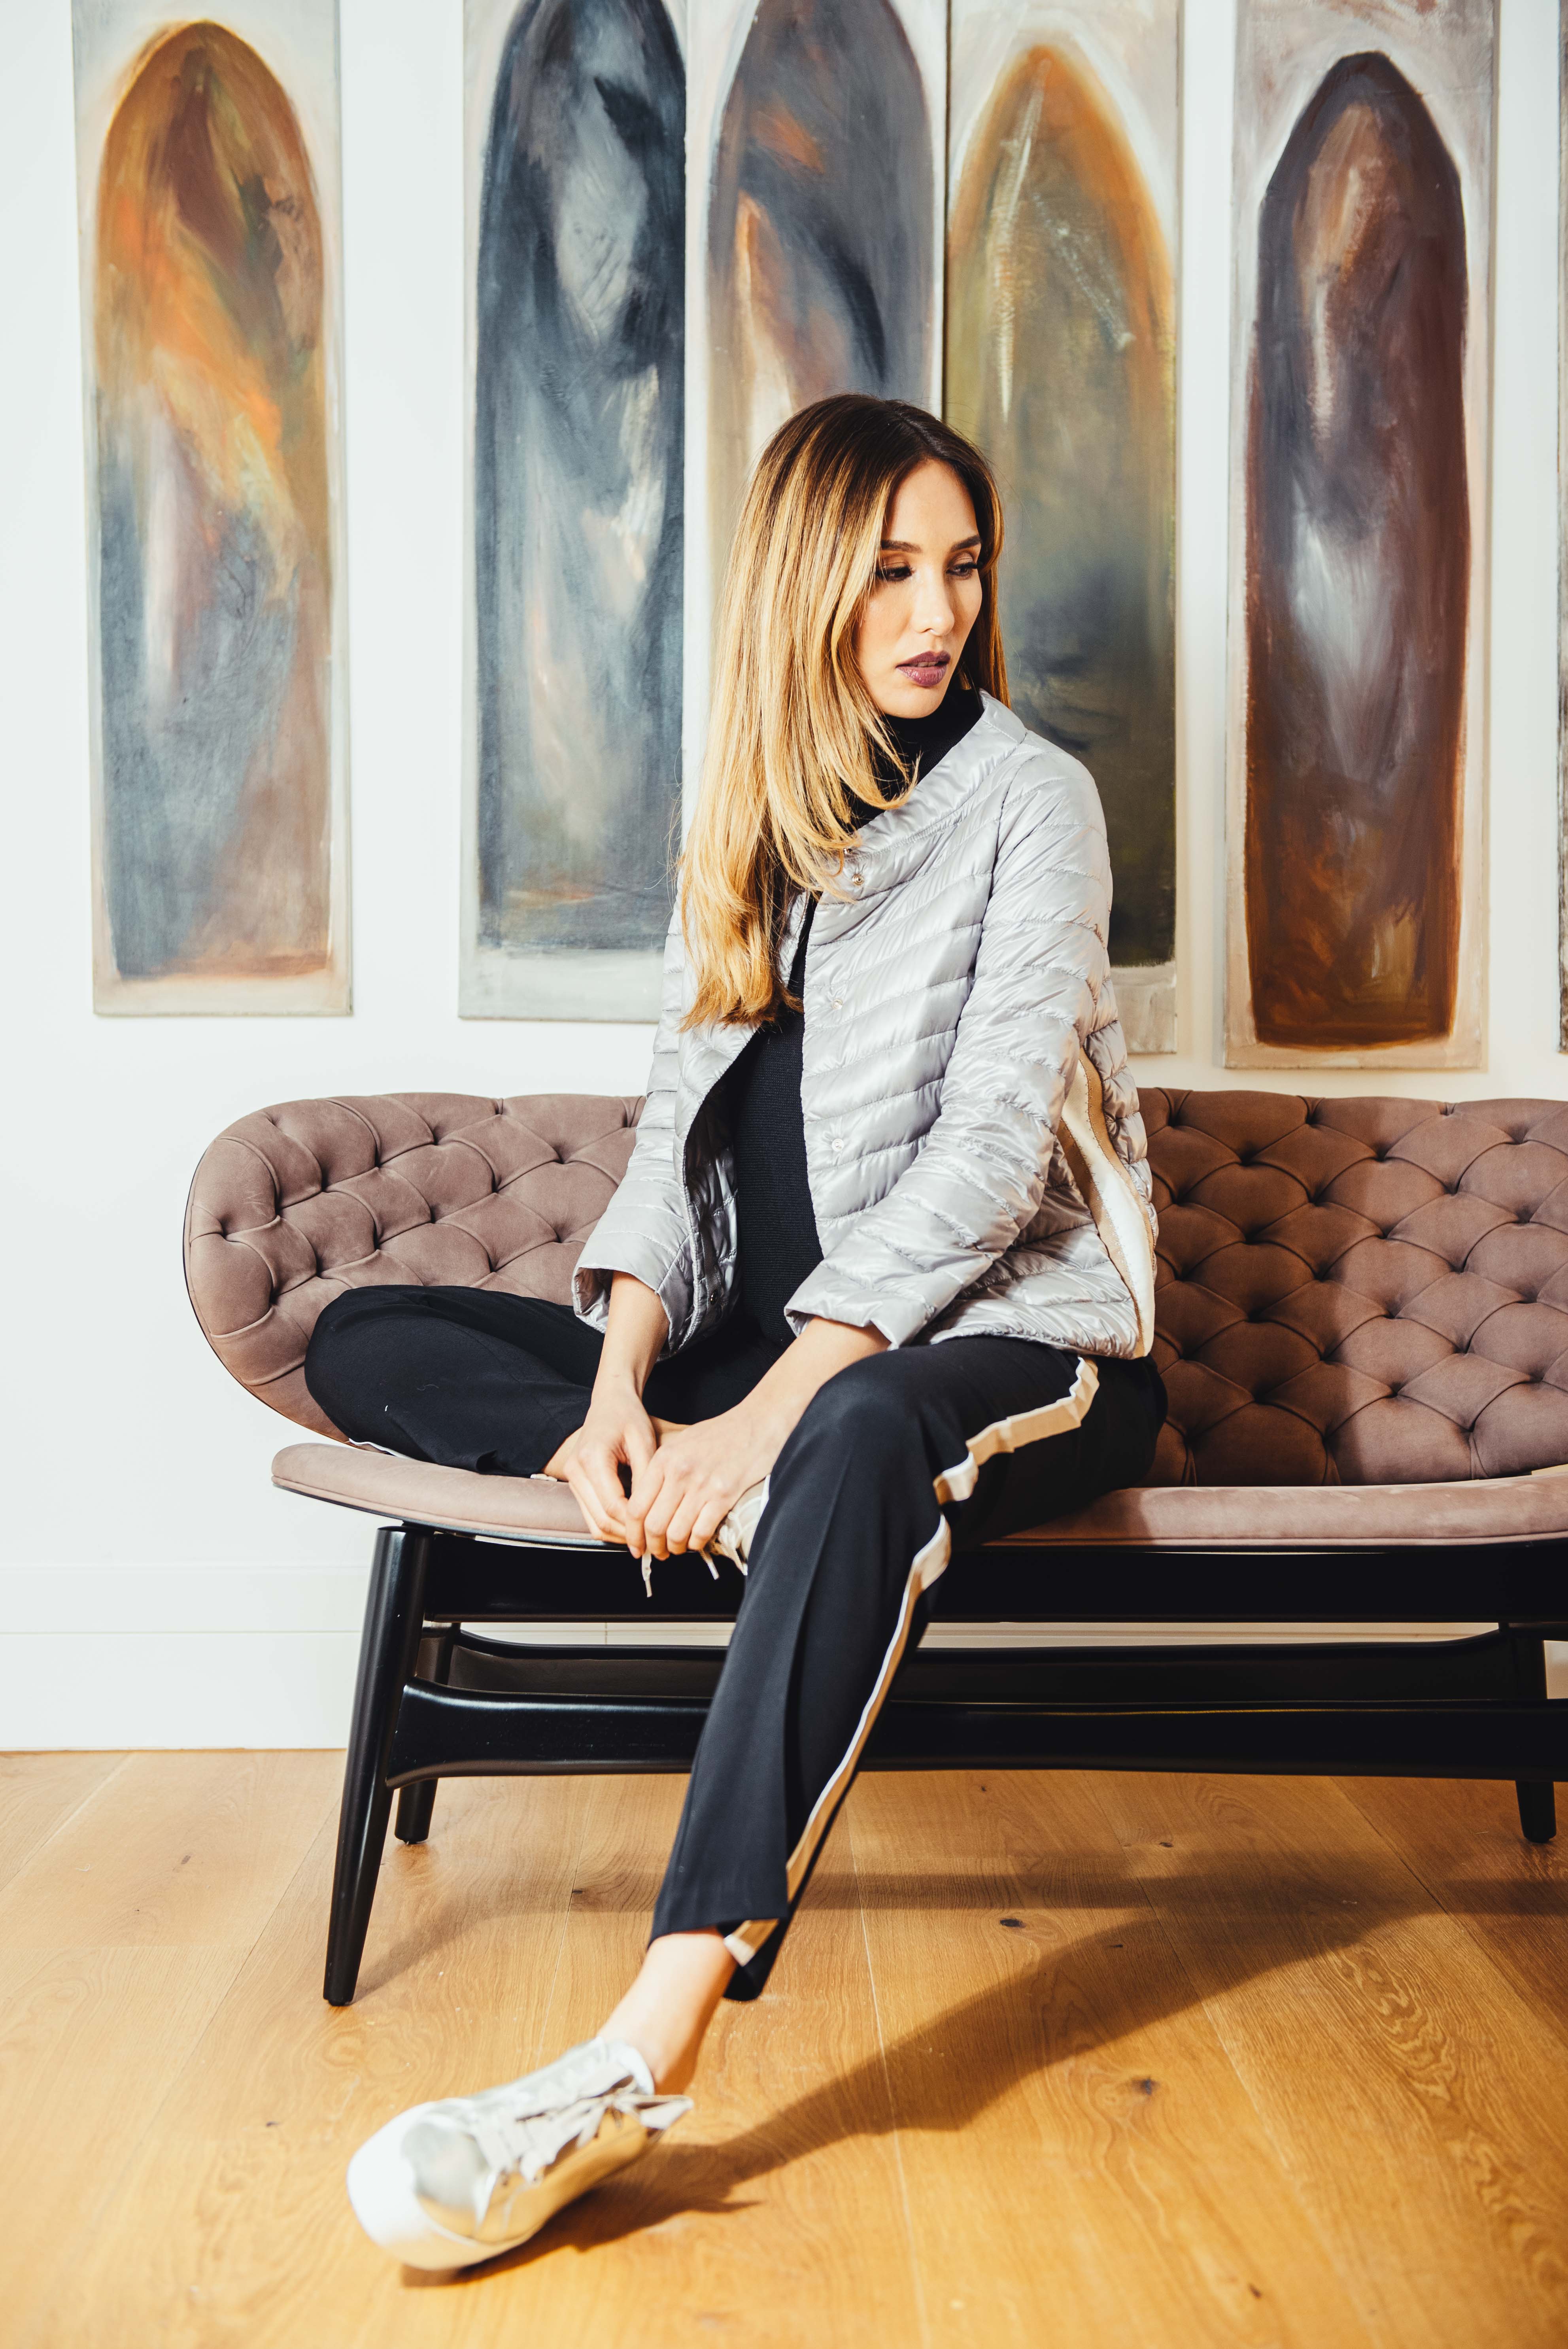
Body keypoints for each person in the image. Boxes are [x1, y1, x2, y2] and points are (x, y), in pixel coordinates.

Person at [305, 393, 1166, 2270]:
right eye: (889, 572)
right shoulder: (758, 824)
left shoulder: (1031, 802)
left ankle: (638, 2050)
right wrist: (621, 1395)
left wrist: (765, 1421)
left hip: (1014, 1341)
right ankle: (757, 1507)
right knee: (367, 1334)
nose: (935, 612)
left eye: (960, 568)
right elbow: (666, 1155)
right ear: (803, 585)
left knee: (850, 1436)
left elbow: (983, 1165)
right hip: (755, 1376)